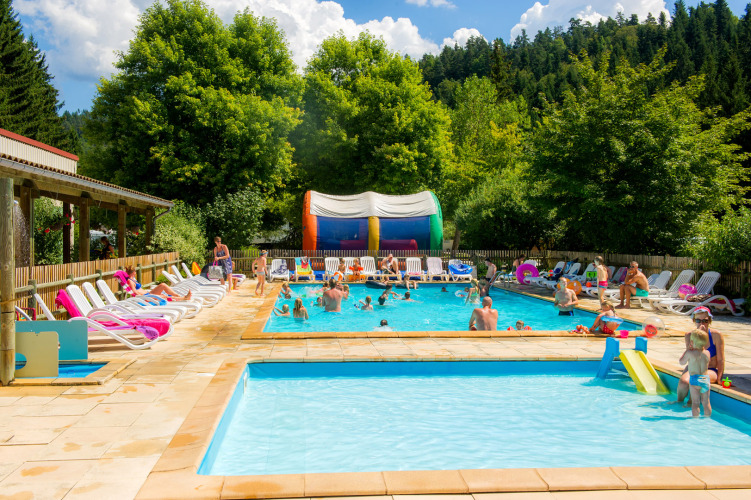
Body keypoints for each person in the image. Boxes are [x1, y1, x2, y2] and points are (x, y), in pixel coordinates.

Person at [675, 307, 725, 406]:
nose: (702, 324)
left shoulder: (716, 335)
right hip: (694, 367)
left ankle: (690, 404)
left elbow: (721, 359)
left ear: (709, 321)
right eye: (698, 320)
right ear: (694, 321)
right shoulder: (689, 335)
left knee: (697, 380)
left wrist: (719, 378)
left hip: (710, 370)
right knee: (684, 382)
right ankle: (679, 403)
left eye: (705, 321)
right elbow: (690, 357)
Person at [679, 329, 712, 417]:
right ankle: (707, 417)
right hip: (705, 380)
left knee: (695, 403)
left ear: (692, 342)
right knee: (706, 402)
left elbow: (681, 362)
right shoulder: (707, 353)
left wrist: (687, 351)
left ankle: (695, 418)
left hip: (695, 380)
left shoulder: (690, 353)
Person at [124, 266, 192, 301]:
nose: (136, 272)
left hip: (148, 293)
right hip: (145, 296)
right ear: (133, 272)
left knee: (163, 285)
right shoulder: (130, 281)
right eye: (135, 271)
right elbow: (135, 292)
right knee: (163, 296)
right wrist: (143, 295)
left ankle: (178, 296)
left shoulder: (133, 279)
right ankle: (184, 298)